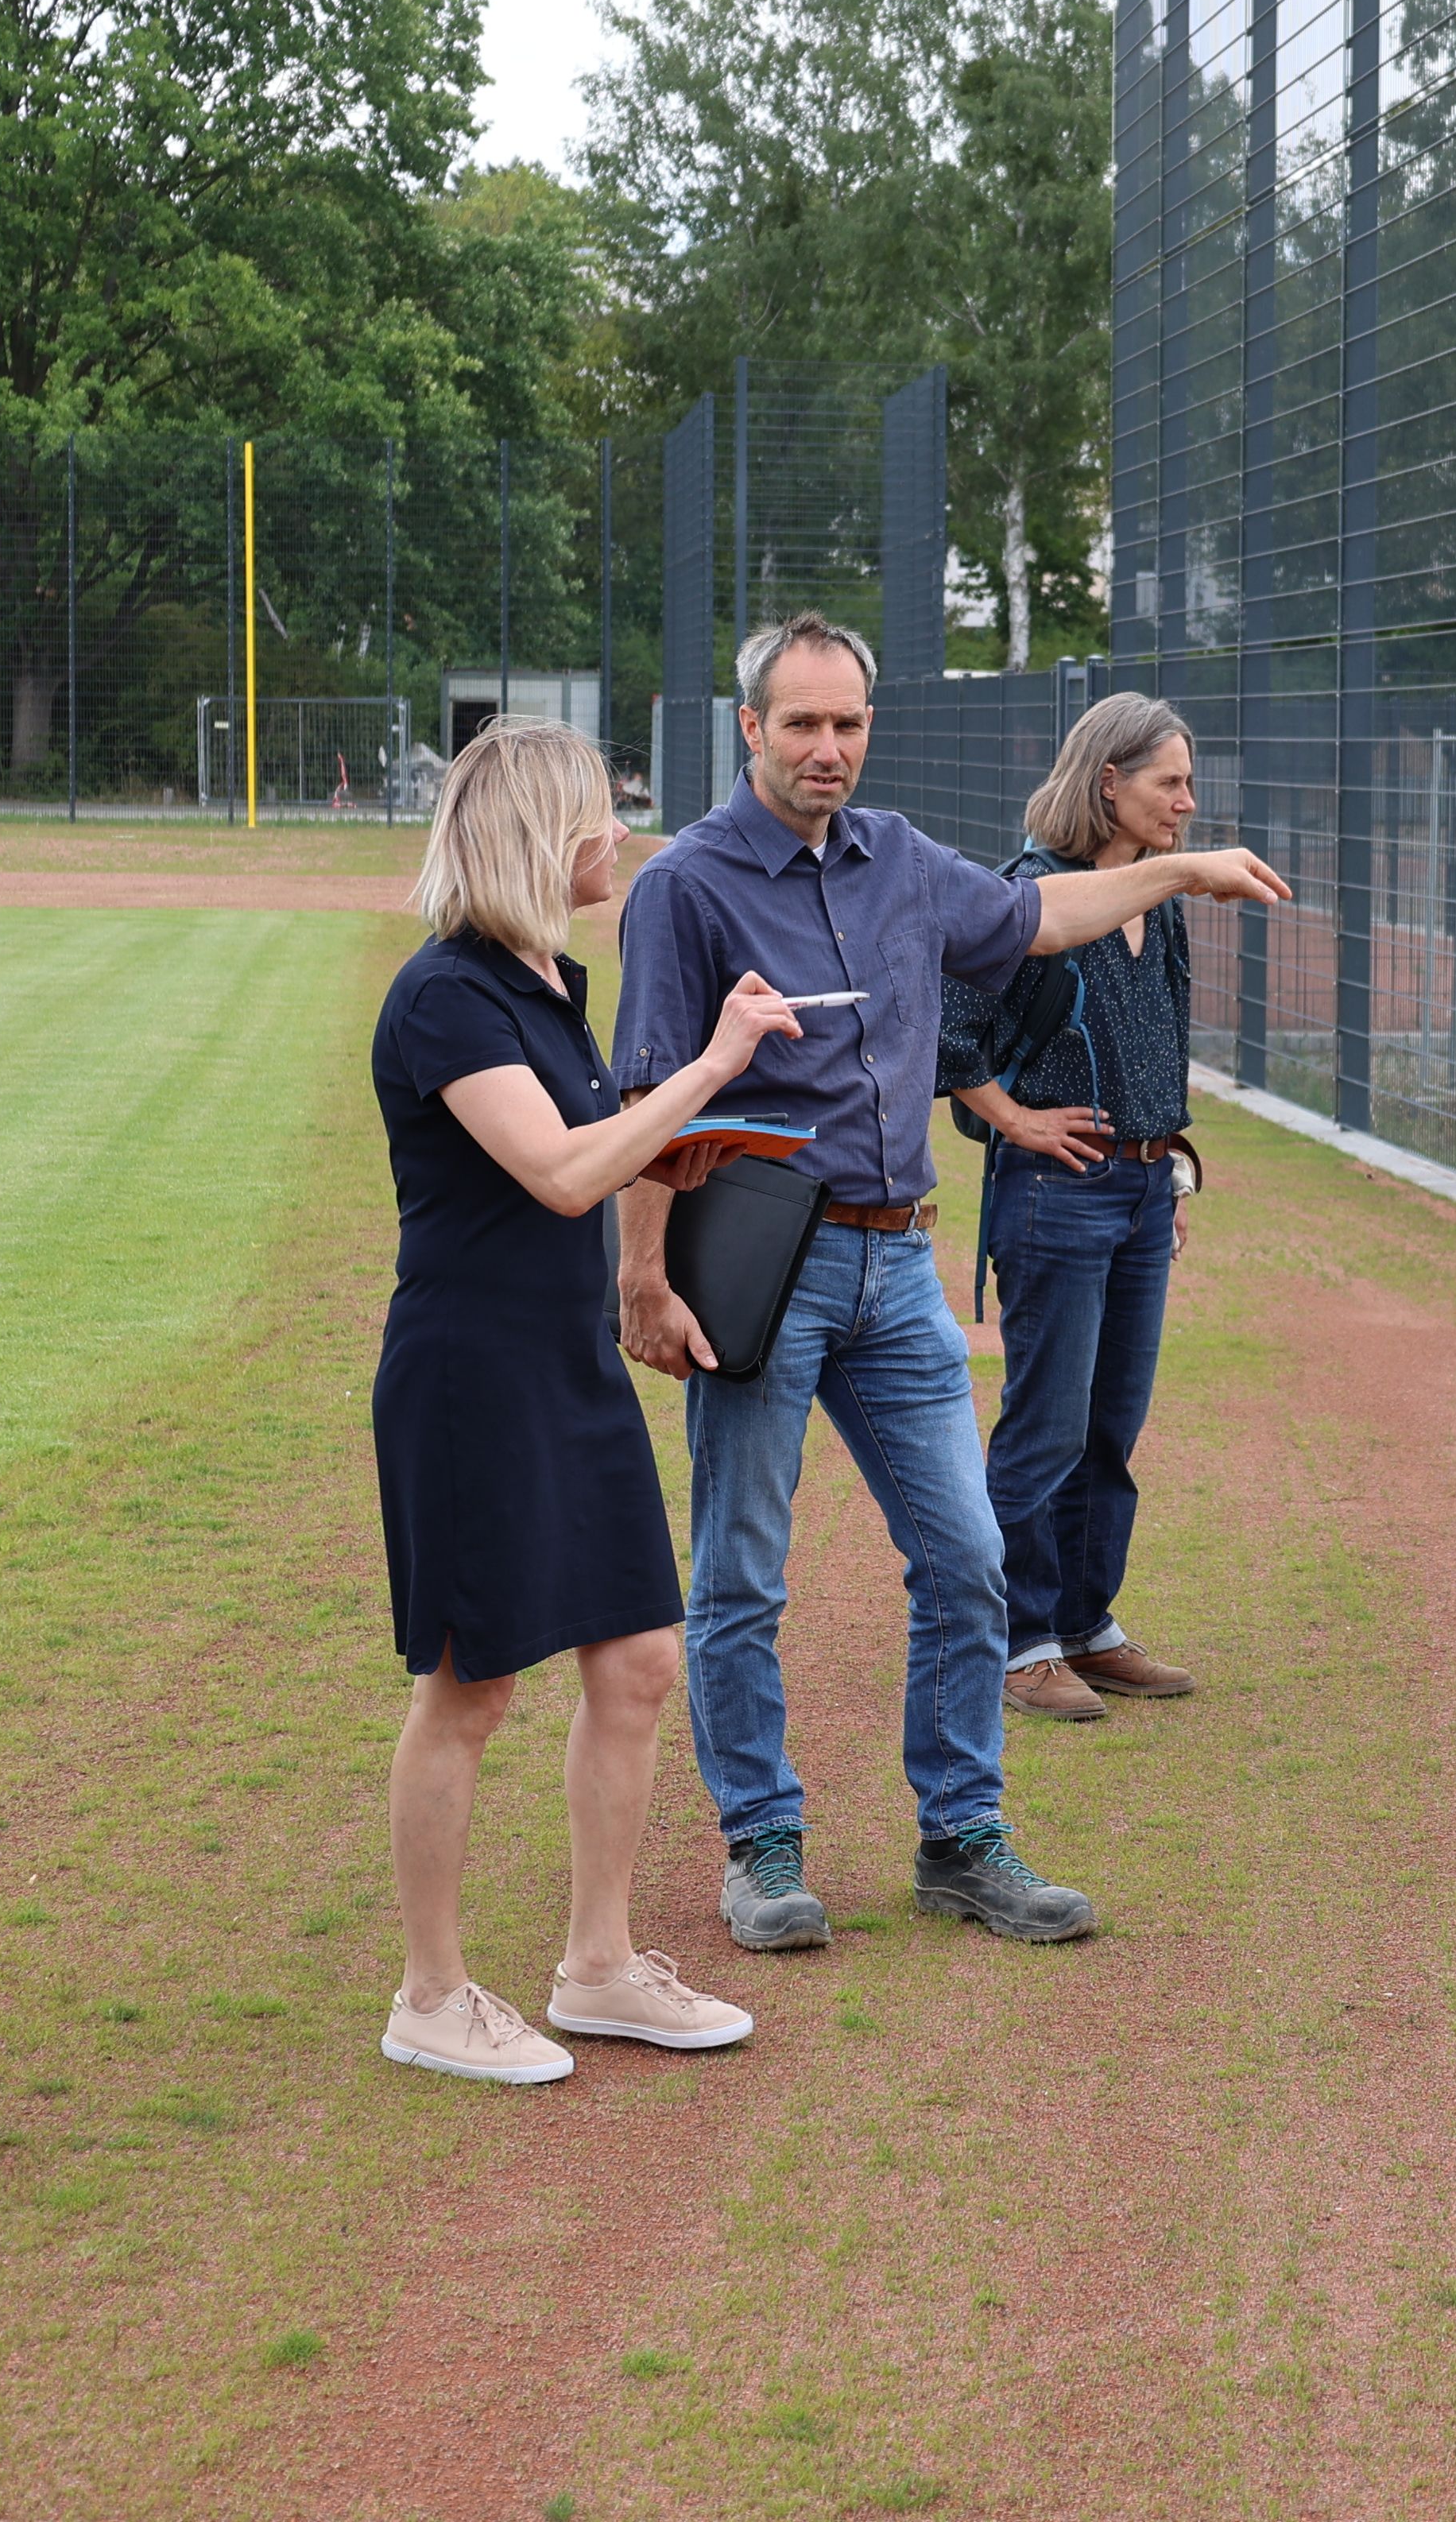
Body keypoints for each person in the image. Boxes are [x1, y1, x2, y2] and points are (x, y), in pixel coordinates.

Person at [608, 614, 1289, 1952]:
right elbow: (645, 1092)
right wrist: (642, 1276)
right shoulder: (686, 886)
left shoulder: (904, 860)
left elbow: (1037, 917)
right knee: (745, 1571)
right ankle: (762, 1848)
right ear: (750, 729)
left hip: (898, 1263)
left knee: (970, 1557)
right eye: (799, 724)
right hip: (762, 1265)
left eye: (847, 723)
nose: (826, 748)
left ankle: (961, 1842)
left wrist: (1180, 871)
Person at [366, 719, 801, 2083]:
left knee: (637, 1664)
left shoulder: (549, 979)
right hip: (470, 1379)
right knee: (473, 1684)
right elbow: (560, 1170)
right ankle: (430, 1996)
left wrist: (683, 1168)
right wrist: (711, 1073)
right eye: (604, 811)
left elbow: (601, 1161)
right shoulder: (447, 996)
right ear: (543, 831)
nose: (620, 832)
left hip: (568, 1364)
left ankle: (599, 1969)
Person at [943, 692, 1209, 1726]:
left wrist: (1166, 1162)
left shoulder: (1164, 901)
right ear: (1110, 783)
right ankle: (1018, 1644)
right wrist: (1018, 1121)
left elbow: (1162, 1042)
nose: (1187, 803)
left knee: (1111, 1427)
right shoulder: (1026, 897)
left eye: (1188, 784)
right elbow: (950, 1036)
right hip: (1056, 1194)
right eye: (1169, 783)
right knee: (1045, 1428)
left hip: (1143, 1193)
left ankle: (1089, 1628)